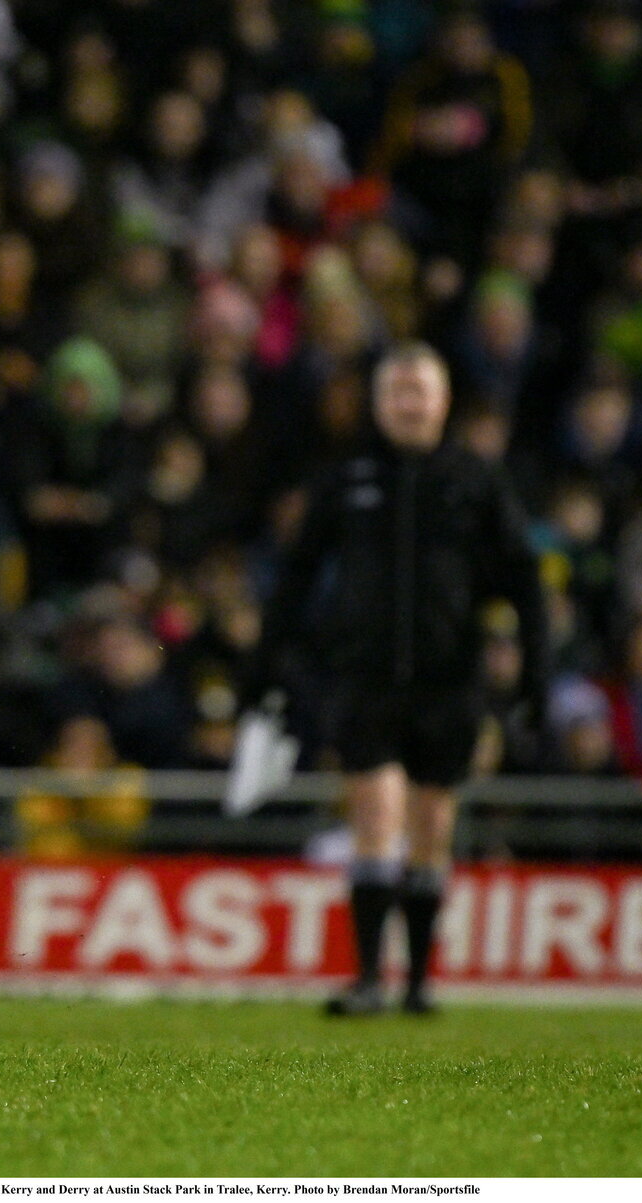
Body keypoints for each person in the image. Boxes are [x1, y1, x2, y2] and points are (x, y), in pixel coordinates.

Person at [249, 343, 546, 1015]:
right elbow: (296, 575)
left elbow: (524, 578)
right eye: (398, 392)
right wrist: (266, 665)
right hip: (366, 678)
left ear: (444, 402)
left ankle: (416, 982)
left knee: (433, 824)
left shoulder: (476, 480)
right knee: (376, 813)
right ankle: (367, 979)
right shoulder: (346, 478)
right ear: (379, 402)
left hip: (450, 681)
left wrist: (535, 672)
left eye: (422, 391)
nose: (410, 404)